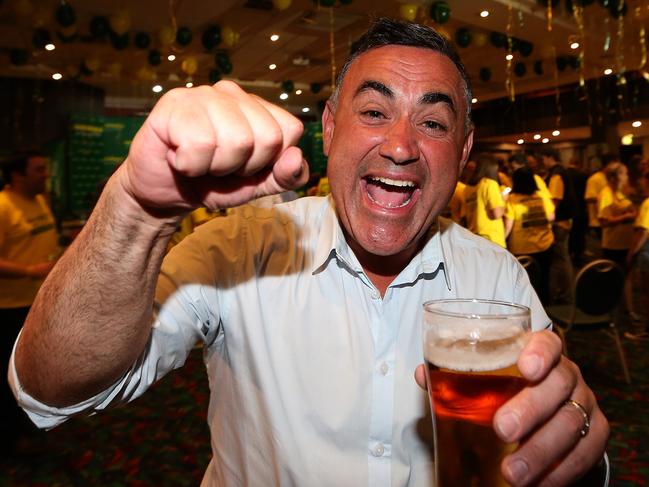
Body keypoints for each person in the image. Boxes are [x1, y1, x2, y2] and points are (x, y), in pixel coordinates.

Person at [10, 19, 608, 486]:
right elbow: (52, 388)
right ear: (328, 128)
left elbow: (548, 435)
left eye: (433, 123)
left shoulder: (497, 275)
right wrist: (137, 211)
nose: (400, 145)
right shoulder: (238, 248)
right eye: (374, 112)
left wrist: (577, 455)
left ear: (464, 149)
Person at [0, 151, 59, 454]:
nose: (45, 174)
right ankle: (11, 439)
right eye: (38, 170)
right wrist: (26, 271)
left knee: (30, 371)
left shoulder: (38, 201)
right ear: (17, 175)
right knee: (8, 377)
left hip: (38, 303)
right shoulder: (3, 207)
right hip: (8, 308)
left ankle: (30, 427)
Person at [504, 167, 555, 305]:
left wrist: (501, 242)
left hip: (522, 248)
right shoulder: (541, 196)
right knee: (544, 280)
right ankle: (546, 311)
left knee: (524, 284)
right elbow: (551, 216)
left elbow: (509, 225)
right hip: (545, 244)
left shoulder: (512, 200)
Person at [542, 148, 576, 304]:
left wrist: (548, 220)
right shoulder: (563, 171)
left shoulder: (556, 174)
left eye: (544, 159)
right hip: (566, 220)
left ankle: (565, 293)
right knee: (563, 258)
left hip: (560, 222)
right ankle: (565, 292)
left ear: (550, 158)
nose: (543, 162)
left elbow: (554, 200)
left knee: (561, 259)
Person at [461, 153, 507, 247]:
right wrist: (504, 200)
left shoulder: (467, 188)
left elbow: (465, 216)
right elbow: (497, 213)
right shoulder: (489, 184)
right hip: (491, 238)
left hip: (474, 237)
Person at [625, 171, 649, 339]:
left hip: (647, 252)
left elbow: (644, 231)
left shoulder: (647, 203)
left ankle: (645, 330)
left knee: (646, 292)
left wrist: (632, 252)